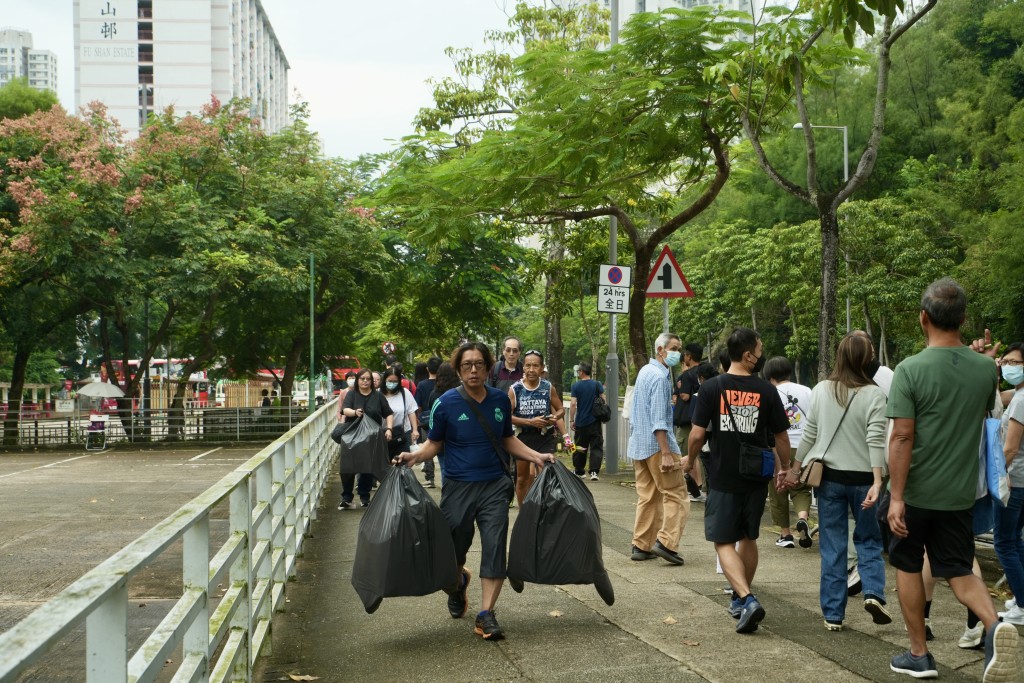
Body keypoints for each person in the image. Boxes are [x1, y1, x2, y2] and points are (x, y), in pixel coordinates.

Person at [885, 277, 1018, 680]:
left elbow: (903, 436)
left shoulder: (909, 370)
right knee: (960, 569)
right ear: (963, 319)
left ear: (922, 318)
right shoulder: (984, 370)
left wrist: (896, 497)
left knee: (908, 565)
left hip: (917, 492)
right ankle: (996, 627)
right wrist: (981, 357)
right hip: (960, 494)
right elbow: (984, 416)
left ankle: (919, 654)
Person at [393, 341, 555, 641]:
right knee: (451, 551)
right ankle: (457, 583)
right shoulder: (446, 403)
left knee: (494, 546)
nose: (473, 370)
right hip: (457, 487)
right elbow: (435, 444)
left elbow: (507, 439)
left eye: (479, 364)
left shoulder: (499, 401)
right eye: (467, 365)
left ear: (487, 366)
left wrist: (536, 456)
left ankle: (485, 615)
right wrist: (413, 456)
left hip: (495, 485)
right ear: (458, 369)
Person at [783, 333, 890, 631]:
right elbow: (876, 440)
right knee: (868, 540)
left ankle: (833, 615)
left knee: (833, 546)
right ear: (867, 360)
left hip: (829, 480)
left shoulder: (822, 389)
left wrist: (794, 470)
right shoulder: (876, 395)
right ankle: (873, 593)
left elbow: (809, 434)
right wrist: (878, 481)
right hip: (864, 480)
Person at [688, 327, 790, 634]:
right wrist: (786, 468)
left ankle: (746, 598)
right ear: (748, 355)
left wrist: (690, 461)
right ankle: (738, 596)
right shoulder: (767, 391)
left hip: (723, 474)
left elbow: (696, 434)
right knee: (748, 537)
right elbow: (781, 436)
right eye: (759, 350)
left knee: (722, 540)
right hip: (757, 474)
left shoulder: (711, 388)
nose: (761, 355)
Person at [626, 332, 688, 567]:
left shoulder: (644, 372)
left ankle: (641, 544)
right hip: (657, 445)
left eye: (679, 348)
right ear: (660, 350)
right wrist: (665, 453)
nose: (677, 352)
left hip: (639, 445)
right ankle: (667, 543)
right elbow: (659, 420)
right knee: (677, 495)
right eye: (673, 347)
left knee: (648, 496)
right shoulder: (661, 378)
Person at [763, 356, 814, 549]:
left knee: (778, 488)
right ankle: (802, 518)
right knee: (801, 488)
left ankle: (786, 535)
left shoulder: (769, 392)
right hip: (804, 447)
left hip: (778, 446)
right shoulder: (807, 391)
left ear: (769, 375)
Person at [993, 342, 1024, 626]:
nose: (1009, 367)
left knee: (1004, 542)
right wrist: (992, 369)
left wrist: (999, 477)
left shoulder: (1022, 400)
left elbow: (1011, 447)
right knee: (1015, 540)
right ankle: (1021, 597)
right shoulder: (1017, 395)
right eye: (1006, 362)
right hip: (1020, 480)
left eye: (1015, 362)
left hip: (1014, 481)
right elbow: (997, 398)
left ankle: (1022, 606)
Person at [508, 350, 564, 504]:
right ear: (523, 367)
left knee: (547, 475)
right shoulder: (515, 389)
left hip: (544, 436)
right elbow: (506, 416)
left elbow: (560, 409)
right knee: (522, 478)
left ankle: (544, 509)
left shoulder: (547, 387)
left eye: (535, 366)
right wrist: (530, 422)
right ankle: (524, 513)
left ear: (542, 368)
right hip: (522, 438)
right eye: (528, 366)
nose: (531, 370)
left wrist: (555, 417)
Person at [338, 368, 394, 509]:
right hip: (352, 436)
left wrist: (389, 428)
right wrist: (355, 412)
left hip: (371, 438)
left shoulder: (378, 396)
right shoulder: (352, 394)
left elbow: (388, 413)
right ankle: (347, 497)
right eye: (362, 378)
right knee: (347, 466)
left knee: (367, 468)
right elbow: (345, 410)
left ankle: (364, 496)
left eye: (368, 379)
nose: (365, 381)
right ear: (358, 380)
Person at [674, 343, 705, 501]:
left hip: (687, 419)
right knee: (699, 455)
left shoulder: (687, 375)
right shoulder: (704, 371)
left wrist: (680, 390)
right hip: (701, 419)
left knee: (687, 454)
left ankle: (694, 490)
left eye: (684, 354)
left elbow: (685, 396)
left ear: (689, 356)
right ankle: (700, 487)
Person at [570, 362, 606, 481]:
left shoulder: (576, 386)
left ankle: (579, 471)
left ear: (581, 372)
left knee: (580, 447)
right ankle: (594, 472)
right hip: (595, 421)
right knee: (596, 447)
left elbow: (573, 404)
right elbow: (603, 398)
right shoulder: (597, 384)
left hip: (581, 422)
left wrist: (571, 420)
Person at [425, 361, 460, 480]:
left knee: (445, 469)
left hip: (440, 439)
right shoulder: (460, 393)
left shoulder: (434, 394)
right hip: (458, 438)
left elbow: (431, 414)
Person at [381, 366, 420, 470]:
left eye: (395, 381)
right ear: (384, 380)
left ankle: (402, 485)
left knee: (402, 465)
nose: (392, 383)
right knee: (386, 465)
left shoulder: (404, 393)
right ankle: (390, 485)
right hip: (384, 435)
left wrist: (415, 430)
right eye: (390, 381)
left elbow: (411, 411)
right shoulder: (378, 394)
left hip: (402, 434)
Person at [414, 357, 443, 486]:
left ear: (427, 369)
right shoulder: (443, 384)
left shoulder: (422, 384)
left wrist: (419, 417)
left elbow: (418, 405)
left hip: (427, 421)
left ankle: (430, 478)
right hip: (442, 419)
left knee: (428, 446)